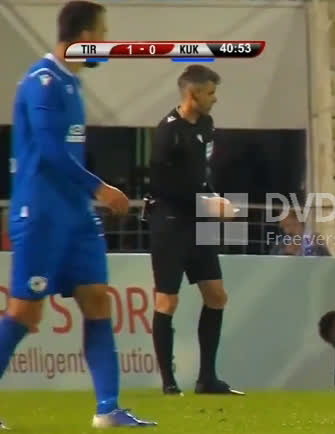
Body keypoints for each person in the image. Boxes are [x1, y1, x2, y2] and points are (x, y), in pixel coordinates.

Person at [0, 1, 156, 428]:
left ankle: (108, 409)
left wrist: (87, 196)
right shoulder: (43, 81)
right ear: (85, 37)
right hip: (41, 214)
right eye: (103, 34)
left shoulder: (72, 83)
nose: (107, 43)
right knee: (25, 313)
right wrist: (100, 188)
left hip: (76, 216)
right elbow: (50, 152)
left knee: (97, 299)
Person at [148, 65, 243, 396]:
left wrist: (214, 200)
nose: (215, 99)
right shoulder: (167, 132)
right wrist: (209, 204)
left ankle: (207, 379)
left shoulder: (206, 125)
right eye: (210, 93)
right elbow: (163, 186)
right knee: (167, 301)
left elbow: (201, 175)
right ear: (193, 94)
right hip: (169, 223)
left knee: (216, 295)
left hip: (197, 222)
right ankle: (168, 382)